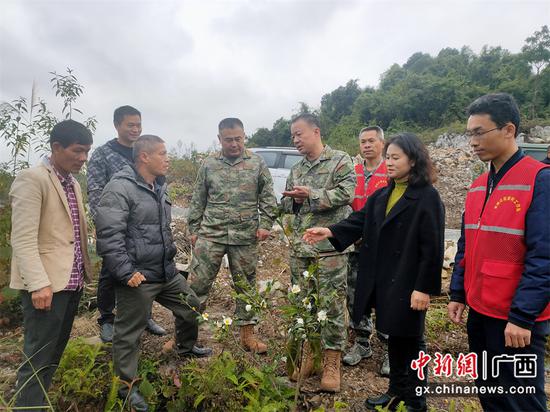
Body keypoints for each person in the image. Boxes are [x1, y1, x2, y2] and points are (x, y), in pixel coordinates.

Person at [304, 133, 444, 411]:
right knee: (393, 334)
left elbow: (433, 247)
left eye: (395, 158)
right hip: (385, 278)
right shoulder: (384, 194)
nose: (389, 163)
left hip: (409, 280)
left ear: (413, 160)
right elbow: (360, 219)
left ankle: (416, 401)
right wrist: (331, 230)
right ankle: (395, 392)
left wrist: (423, 288)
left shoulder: (427, 197)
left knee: (413, 341)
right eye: (388, 157)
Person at [448, 93, 550, 411]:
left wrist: (522, 316)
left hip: (514, 318)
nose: (473, 142)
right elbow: (468, 243)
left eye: (480, 132)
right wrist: (458, 292)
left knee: (521, 399)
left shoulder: (539, 179)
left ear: (508, 130)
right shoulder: (479, 184)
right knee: (491, 393)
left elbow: (544, 255)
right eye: (470, 134)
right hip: (481, 309)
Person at [95, 135, 210, 412]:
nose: (167, 158)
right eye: (162, 153)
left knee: (192, 306)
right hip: (138, 276)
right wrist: (125, 271)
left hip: (165, 271)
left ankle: (185, 347)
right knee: (128, 334)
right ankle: (127, 388)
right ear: (144, 157)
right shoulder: (119, 188)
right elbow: (109, 235)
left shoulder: (159, 185)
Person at [10, 120, 93, 410]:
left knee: (52, 356)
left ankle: (37, 404)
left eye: (87, 152)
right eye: (78, 151)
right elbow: (22, 239)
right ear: (56, 147)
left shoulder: (72, 183)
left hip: (70, 284)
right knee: (37, 360)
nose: (83, 158)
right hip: (46, 287)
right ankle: (28, 406)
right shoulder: (32, 179)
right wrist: (38, 283)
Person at [187, 118, 278, 354]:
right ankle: (185, 335)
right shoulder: (208, 165)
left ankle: (248, 336)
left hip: (245, 235)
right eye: (229, 140)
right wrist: (194, 231)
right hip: (211, 234)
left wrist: (266, 224)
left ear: (244, 136)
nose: (234, 144)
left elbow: (268, 197)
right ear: (219, 139)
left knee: (246, 286)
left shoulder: (257, 163)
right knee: (196, 285)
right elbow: (198, 199)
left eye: (239, 138)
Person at [281, 113, 355, 392]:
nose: (295, 140)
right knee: (304, 305)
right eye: (292, 136)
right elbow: (289, 206)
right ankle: (311, 353)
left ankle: (332, 362)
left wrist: (309, 194)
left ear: (316, 131)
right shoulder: (296, 168)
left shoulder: (340, 160)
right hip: (301, 248)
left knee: (332, 305)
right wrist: (293, 201)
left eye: (299, 134)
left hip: (330, 249)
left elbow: (346, 193)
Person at [87, 105, 166, 342]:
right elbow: (95, 191)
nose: (135, 129)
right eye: (130, 125)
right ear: (117, 125)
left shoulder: (147, 152)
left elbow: (159, 186)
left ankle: (145, 315)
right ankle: (107, 319)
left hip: (145, 226)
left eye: (138, 125)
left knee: (146, 270)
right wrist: (102, 224)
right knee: (112, 271)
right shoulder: (103, 154)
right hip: (117, 224)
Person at [344, 125, 390, 376]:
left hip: (382, 247)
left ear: (382, 143)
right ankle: (361, 343)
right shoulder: (353, 172)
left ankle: (388, 348)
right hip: (356, 245)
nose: (367, 145)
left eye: (372, 141)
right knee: (355, 295)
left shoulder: (391, 170)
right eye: (363, 141)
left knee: (384, 296)